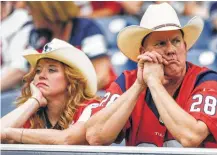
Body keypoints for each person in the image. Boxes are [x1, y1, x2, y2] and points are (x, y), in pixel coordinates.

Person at [85, 3, 217, 148]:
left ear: (185, 46)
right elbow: (95, 136)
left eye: (176, 41)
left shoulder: (206, 80)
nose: (171, 50)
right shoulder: (128, 82)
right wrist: (139, 86)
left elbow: (192, 137)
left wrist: (154, 83)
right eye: (160, 43)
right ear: (143, 53)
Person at [1, 38, 99, 144]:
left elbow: (67, 138)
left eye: (52, 70)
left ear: (71, 80)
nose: (41, 76)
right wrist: (34, 100)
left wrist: (10, 133)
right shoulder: (31, 111)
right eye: (38, 71)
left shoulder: (90, 107)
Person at [26, 1, 117, 90]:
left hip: (96, 93)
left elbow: (103, 76)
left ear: (48, 9)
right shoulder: (36, 34)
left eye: (31, 8)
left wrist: (70, 96)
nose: (28, 13)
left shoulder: (86, 28)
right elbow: (32, 77)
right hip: (57, 98)